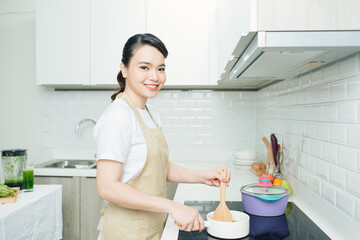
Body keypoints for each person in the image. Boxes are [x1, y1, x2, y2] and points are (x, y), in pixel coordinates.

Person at [94, 33, 231, 240]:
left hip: (151, 227)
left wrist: (201, 176)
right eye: (144, 67)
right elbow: (107, 187)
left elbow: (157, 167)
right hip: (126, 232)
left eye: (161, 68)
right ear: (124, 69)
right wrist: (171, 206)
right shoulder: (118, 117)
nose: (155, 76)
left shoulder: (150, 113)